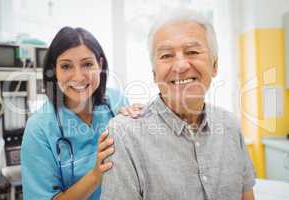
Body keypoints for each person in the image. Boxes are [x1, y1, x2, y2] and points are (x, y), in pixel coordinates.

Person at [100, 9, 256, 200]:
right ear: (154, 73)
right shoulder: (124, 134)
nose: (180, 66)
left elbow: (246, 195)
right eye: (166, 55)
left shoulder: (230, 125)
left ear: (215, 65)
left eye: (192, 51)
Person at [21, 26, 141, 200]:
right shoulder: (39, 129)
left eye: (87, 64)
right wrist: (95, 176)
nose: (78, 77)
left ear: (99, 65)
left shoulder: (117, 102)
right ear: (54, 71)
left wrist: (138, 122)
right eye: (66, 66)